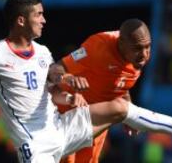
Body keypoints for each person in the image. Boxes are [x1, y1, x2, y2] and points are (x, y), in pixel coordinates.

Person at [0, 0, 172, 163]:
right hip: (35, 146)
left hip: (61, 127)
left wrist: (68, 86)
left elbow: (50, 83)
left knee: (121, 108)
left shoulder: (43, 52)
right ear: (21, 21)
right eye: (39, 15)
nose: (44, 20)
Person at [56, 19, 152, 163]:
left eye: (148, 46)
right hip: (69, 114)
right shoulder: (97, 47)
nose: (144, 54)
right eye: (138, 48)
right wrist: (70, 79)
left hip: (97, 121)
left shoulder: (136, 59)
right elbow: (57, 68)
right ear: (121, 44)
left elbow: (119, 85)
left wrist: (129, 113)